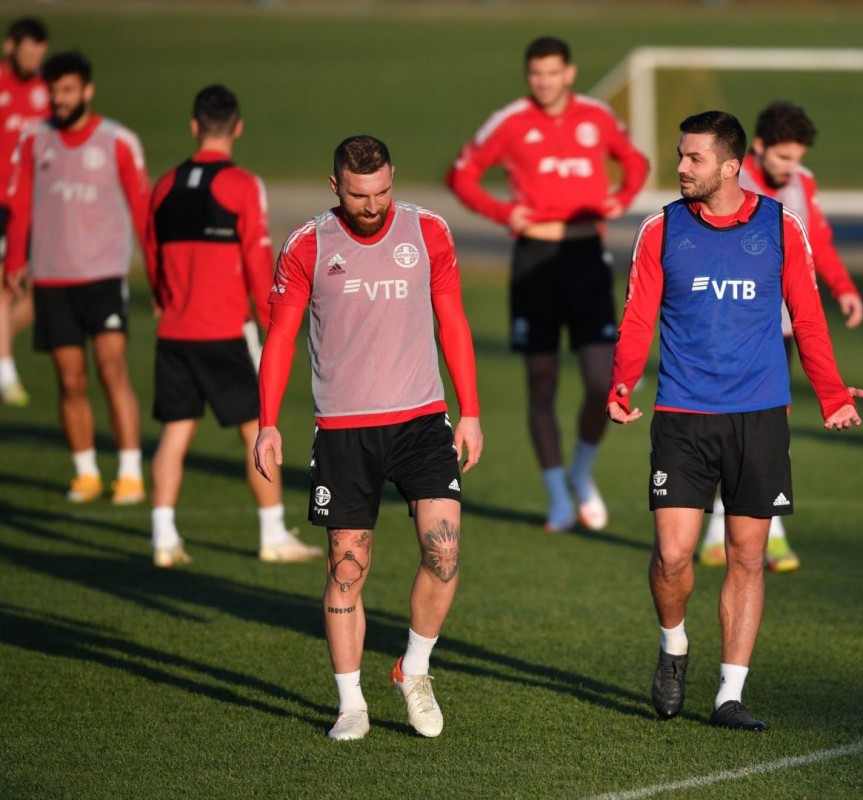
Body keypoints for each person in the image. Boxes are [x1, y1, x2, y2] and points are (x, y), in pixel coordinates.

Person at [607, 111, 863, 731]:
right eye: (680, 154)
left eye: (692, 158)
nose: (680, 167)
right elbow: (638, 316)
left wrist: (831, 394)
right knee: (673, 556)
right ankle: (674, 646)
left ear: (730, 166)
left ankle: (729, 695)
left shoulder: (781, 225)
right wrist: (621, 380)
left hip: (759, 416)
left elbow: (808, 318)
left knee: (747, 556)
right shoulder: (660, 229)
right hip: (682, 414)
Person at [254, 135, 483, 742]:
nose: (373, 205)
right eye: (359, 195)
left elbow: (452, 320)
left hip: (421, 421)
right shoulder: (308, 245)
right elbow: (280, 337)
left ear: (392, 178)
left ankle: (414, 668)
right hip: (344, 432)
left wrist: (471, 412)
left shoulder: (428, 231)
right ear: (336, 186)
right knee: (347, 569)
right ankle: (351, 702)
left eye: (382, 191)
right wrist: (267, 422)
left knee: (444, 552)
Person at [446, 35, 648, 533]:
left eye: (553, 72)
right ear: (528, 76)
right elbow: (461, 175)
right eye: (536, 73)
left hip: (585, 257)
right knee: (541, 381)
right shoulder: (510, 121)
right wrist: (503, 212)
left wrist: (622, 198)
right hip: (534, 260)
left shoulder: (597, 117)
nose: (544, 82)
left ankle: (581, 470)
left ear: (569, 73)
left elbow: (636, 162)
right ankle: (557, 495)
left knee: (602, 381)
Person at [145, 84, 322, 568]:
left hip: (174, 331)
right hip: (225, 331)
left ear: (194, 126)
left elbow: (152, 253)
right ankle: (273, 535)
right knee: (257, 432)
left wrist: (164, 299)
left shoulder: (163, 185)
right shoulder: (243, 185)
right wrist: (272, 320)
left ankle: (163, 538)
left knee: (175, 434)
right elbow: (257, 259)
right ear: (237, 127)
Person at [701, 100, 863, 572]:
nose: (791, 167)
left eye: (797, 158)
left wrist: (843, 287)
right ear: (758, 147)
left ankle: (767, 532)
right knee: (726, 425)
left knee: (770, 425)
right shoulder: (730, 183)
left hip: (783, 328)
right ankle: (720, 531)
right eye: (783, 157)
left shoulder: (802, 182)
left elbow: (817, 243)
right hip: (732, 326)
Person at [4, 50, 149, 505]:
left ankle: (129, 472)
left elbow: (142, 210)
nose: (60, 100)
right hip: (52, 279)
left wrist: (158, 272)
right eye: (54, 92)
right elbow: (19, 204)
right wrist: (15, 263)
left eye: (68, 90)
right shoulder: (34, 141)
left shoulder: (118, 141)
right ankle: (86, 472)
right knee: (70, 380)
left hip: (103, 276)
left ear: (87, 90)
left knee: (112, 369)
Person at [0, 17, 48, 406]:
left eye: (39, 49)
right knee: (5, 285)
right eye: (26, 48)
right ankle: (6, 376)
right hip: (3, 203)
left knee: (40, 294)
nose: (33, 57)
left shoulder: (48, 91)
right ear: (10, 47)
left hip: (39, 205)